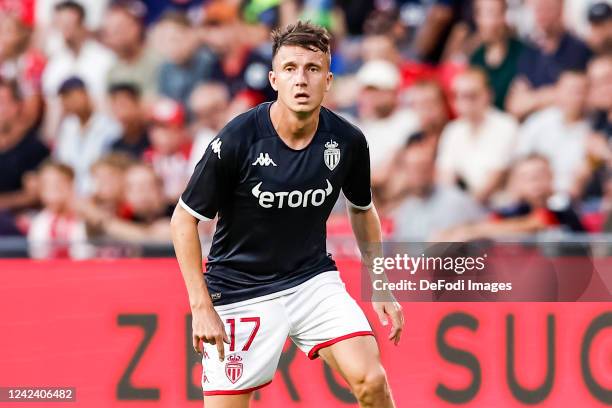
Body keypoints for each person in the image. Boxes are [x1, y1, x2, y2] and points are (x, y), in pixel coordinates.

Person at [171, 21, 403, 407]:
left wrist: (379, 282)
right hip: (238, 288)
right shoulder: (237, 139)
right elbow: (183, 219)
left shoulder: (347, 140)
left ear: (328, 80)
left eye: (312, 70)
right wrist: (201, 307)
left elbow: (363, 211)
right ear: (274, 78)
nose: (301, 80)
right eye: (291, 69)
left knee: (372, 381)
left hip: (312, 280)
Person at [437, 68, 518, 203]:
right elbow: (445, 179)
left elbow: (493, 182)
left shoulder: (506, 126)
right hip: (462, 204)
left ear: (488, 95)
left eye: (472, 95)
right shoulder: (452, 130)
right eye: (459, 96)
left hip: (496, 204)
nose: (465, 102)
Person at [384, 138, 485, 241]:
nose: (419, 174)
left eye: (423, 167)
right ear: (405, 171)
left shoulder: (456, 201)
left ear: (433, 168)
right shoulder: (404, 210)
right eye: (413, 168)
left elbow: (485, 231)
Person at [506, 0, 592, 119]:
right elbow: (515, 106)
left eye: (547, 8)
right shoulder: (530, 52)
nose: (542, 15)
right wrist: (551, 95)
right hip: (534, 127)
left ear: (561, 8)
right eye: (538, 9)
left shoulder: (579, 49)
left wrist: (532, 98)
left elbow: (575, 97)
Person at [516, 70, 591, 197]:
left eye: (580, 91)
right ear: (557, 91)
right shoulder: (539, 121)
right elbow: (519, 163)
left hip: (573, 198)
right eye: (569, 90)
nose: (574, 97)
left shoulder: (594, 129)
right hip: (534, 196)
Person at [53, 76, 121, 194]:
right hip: (69, 194)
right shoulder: (66, 127)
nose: (69, 101)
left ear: (86, 95)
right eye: (65, 97)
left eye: (73, 95)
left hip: (99, 194)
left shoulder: (109, 127)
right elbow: (61, 164)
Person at [27, 160, 93, 259]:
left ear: (71, 185)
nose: (52, 189)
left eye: (58, 183)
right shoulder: (40, 221)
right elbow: (38, 257)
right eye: (46, 184)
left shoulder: (89, 215)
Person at [469, 0, 528, 110]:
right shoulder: (476, 59)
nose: (492, 21)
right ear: (477, 18)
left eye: (498, 13)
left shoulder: (523, 52)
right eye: (487, 14)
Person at [102, 1, 162, 99]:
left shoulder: (158, 62)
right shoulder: (113, 72)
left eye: (119, 30)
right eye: (110, 32)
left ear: (136, 27)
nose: (115, 37)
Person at [108, 82, 150, 159]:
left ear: (137, 104)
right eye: (115, 105)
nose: (120, 111)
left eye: (123, 104)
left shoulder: (153, 137)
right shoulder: (115, 145)